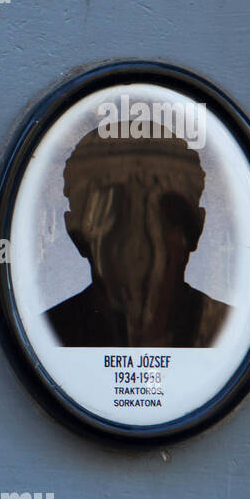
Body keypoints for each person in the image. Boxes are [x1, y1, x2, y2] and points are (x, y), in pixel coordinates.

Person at [45, 128, 230, 347]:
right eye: (115, 213)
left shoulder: (46, 336)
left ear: (197, 228)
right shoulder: (229, 333)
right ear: (75, 232)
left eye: (164, 215)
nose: (140, 244)